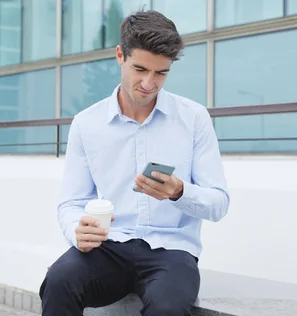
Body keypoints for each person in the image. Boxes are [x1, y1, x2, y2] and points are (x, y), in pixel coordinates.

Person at [39, 9, 230, 316]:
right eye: (140, 69)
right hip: (108, 248)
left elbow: (218, 203)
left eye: (161, 73)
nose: (149, 83)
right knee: (59, 280)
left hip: (172, 251)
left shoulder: (193, 118)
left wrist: (178, 191)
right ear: (120, 56)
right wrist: (78, 229)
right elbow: (71, 202)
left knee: (167, 308)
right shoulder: (86, 124)